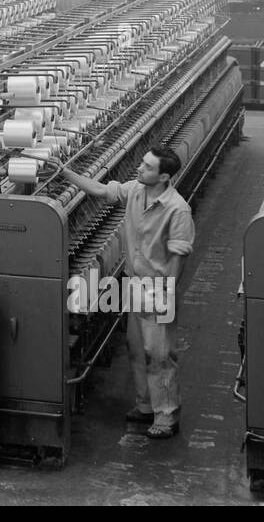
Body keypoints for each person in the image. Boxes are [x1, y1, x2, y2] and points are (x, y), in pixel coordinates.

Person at [50, 147, 194, 440]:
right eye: (141, 162)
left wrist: (168, 294)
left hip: (157, 289)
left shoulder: (177, 209)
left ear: (164, 176)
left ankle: (167, 415)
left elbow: (179, 255)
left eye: (147, 166)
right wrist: (64, 171)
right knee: (136, 349)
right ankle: (145, 406)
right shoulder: (135, 191)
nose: (139, 168)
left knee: (160, 354)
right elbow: (101, 190)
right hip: (133, 284)